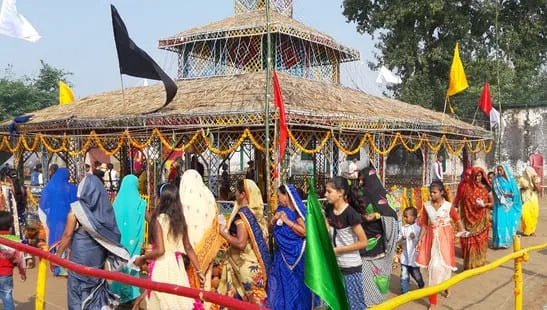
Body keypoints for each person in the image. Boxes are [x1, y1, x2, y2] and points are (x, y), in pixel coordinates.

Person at [57, 175, 130, 310]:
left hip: (79, 259)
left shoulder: (76, 210)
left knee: (76, 292)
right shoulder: (106, 212)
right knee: (94, 289)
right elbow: (113, 235)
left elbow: (67, 234)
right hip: (97, 259)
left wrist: (57, 255)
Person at [134, 183, 203, 309]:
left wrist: (143, 258)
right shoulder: (180, 221)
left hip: (162, 266)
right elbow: (188, 248)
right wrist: (199, 271)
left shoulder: (158, 220)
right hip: (178, 267)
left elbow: (160, 250)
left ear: (161, 199)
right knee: (178, 301)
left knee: (163, 302)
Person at [217, 179, 270, 305]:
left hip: (244, 266)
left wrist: (224, 233)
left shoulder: (242, 216)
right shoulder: (258, 214)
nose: (234, 194)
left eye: (236, 191)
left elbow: (241, 243)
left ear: (243, 194)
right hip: (258, 265)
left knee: (251, 304)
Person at [416, 181, 467, 310]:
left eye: (434, 192)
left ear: (441, 192)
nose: (431, 195)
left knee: (444, 267)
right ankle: (433, 301)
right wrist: (419, 240)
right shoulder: (427, 206)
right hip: (431, 241)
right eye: (430, 192)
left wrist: (462, 233)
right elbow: (424, 224)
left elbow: (457, 220)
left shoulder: (448, 206)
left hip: (445, 240)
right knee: (433, 268)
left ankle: (445, 286)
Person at [355, 167, 398, 307]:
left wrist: (377, 216)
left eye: (363, 179)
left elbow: (392, 215)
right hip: (363, 243)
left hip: (378, 245)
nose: (360, 182)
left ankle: (376, 304)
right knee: (365, 281)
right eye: (359, 179)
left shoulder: (381, 196)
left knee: (378, 279)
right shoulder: (360, 195)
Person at [324, 176, 367, 310]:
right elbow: (326, 231)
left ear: (341, 192)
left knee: (355, 305)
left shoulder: (350, 214)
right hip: (335, 265)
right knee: (335, 303)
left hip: (350, 266)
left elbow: (363, 242)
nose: (326, 195)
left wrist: (339, 250)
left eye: (329, 191)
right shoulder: (329, 209)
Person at [267, 184, 313, 310]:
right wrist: (273, 220)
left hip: (296, 256)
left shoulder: (297, 212)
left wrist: (287, 221)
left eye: (279, 195)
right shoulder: (279, 210)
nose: (277, 198)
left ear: (287, 196)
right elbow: (270, 230)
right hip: (281, 256)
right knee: (278, 287)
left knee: (296, 288)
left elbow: (304, 232)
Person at [179, 170, 223, 293]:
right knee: (206, 278)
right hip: (207, 246)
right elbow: (216, 219)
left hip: (188, 249)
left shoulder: (183, 198)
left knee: (187, 282)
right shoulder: (208, 197)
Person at [111, 175, 147, 306]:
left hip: (119, 243)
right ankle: (131, 295)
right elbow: (150, 220)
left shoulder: (116, 202)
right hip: (134, 244)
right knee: (132, 267)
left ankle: (117, 296)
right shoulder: (140, 203)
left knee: (120, 267)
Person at [38, 168, 78, 276]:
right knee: (67, 240)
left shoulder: (48, 188)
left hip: (54, 220)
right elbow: (76, 205)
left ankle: (57, 267)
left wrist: (46, 221)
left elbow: (42, 207)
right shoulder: (72, 188)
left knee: (55, 241)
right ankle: (67, 267)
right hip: (69, 219)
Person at [459, 167, 493, 270]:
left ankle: (480, 262)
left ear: (482, 176)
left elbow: (492, 204)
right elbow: (463, 203)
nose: (477, 177)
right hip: (469, 221)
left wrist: (484, 205)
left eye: (479, 175)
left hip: (481, 220)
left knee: (480, 242)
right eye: (476, 175)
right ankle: (470, 265)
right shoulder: (467, 188)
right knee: (470, 242)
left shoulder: (487, 188)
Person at [0, 211, 26, 310]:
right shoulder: (15, 240)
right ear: (10, 226)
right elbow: (20, 259)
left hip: (5, 274)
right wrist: (22, 272)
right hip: (5, 274)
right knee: (7, 297)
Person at [491, 164, 522, 249]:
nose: (499, 172)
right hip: (499, 206)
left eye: (500, 170)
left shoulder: (511, 180)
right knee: (498, 223)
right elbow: (495, 192)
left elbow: (515, 193)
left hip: (509, 206)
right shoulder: (496, 180)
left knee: (508, 224)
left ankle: (507, 242)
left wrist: (508, 194)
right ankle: (498, 243)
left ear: (505, 170)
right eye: (498, 170)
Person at [398, 207, 424, 294]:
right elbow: (398, 241)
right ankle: (404, 292)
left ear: (413, 217)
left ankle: (421, 284)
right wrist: (402, 238)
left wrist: (415, 238)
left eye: (406, 216)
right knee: (404, 275)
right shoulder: (403, 228)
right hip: (405, 258)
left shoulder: (418, 229)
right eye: (404, 216)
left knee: (416, 274)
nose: (404, 218)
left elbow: (420, 241)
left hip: (414, 258)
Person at [518, 167, 540, 236]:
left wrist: (534, 182)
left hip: (533, 198)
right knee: (525, 215)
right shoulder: (522, 179)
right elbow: (517, 188)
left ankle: (532, 231)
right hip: (525, 199)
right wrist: (522, 188)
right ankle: (526, 231)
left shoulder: (536, 178)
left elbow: (538, 190)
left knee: (534, 215)